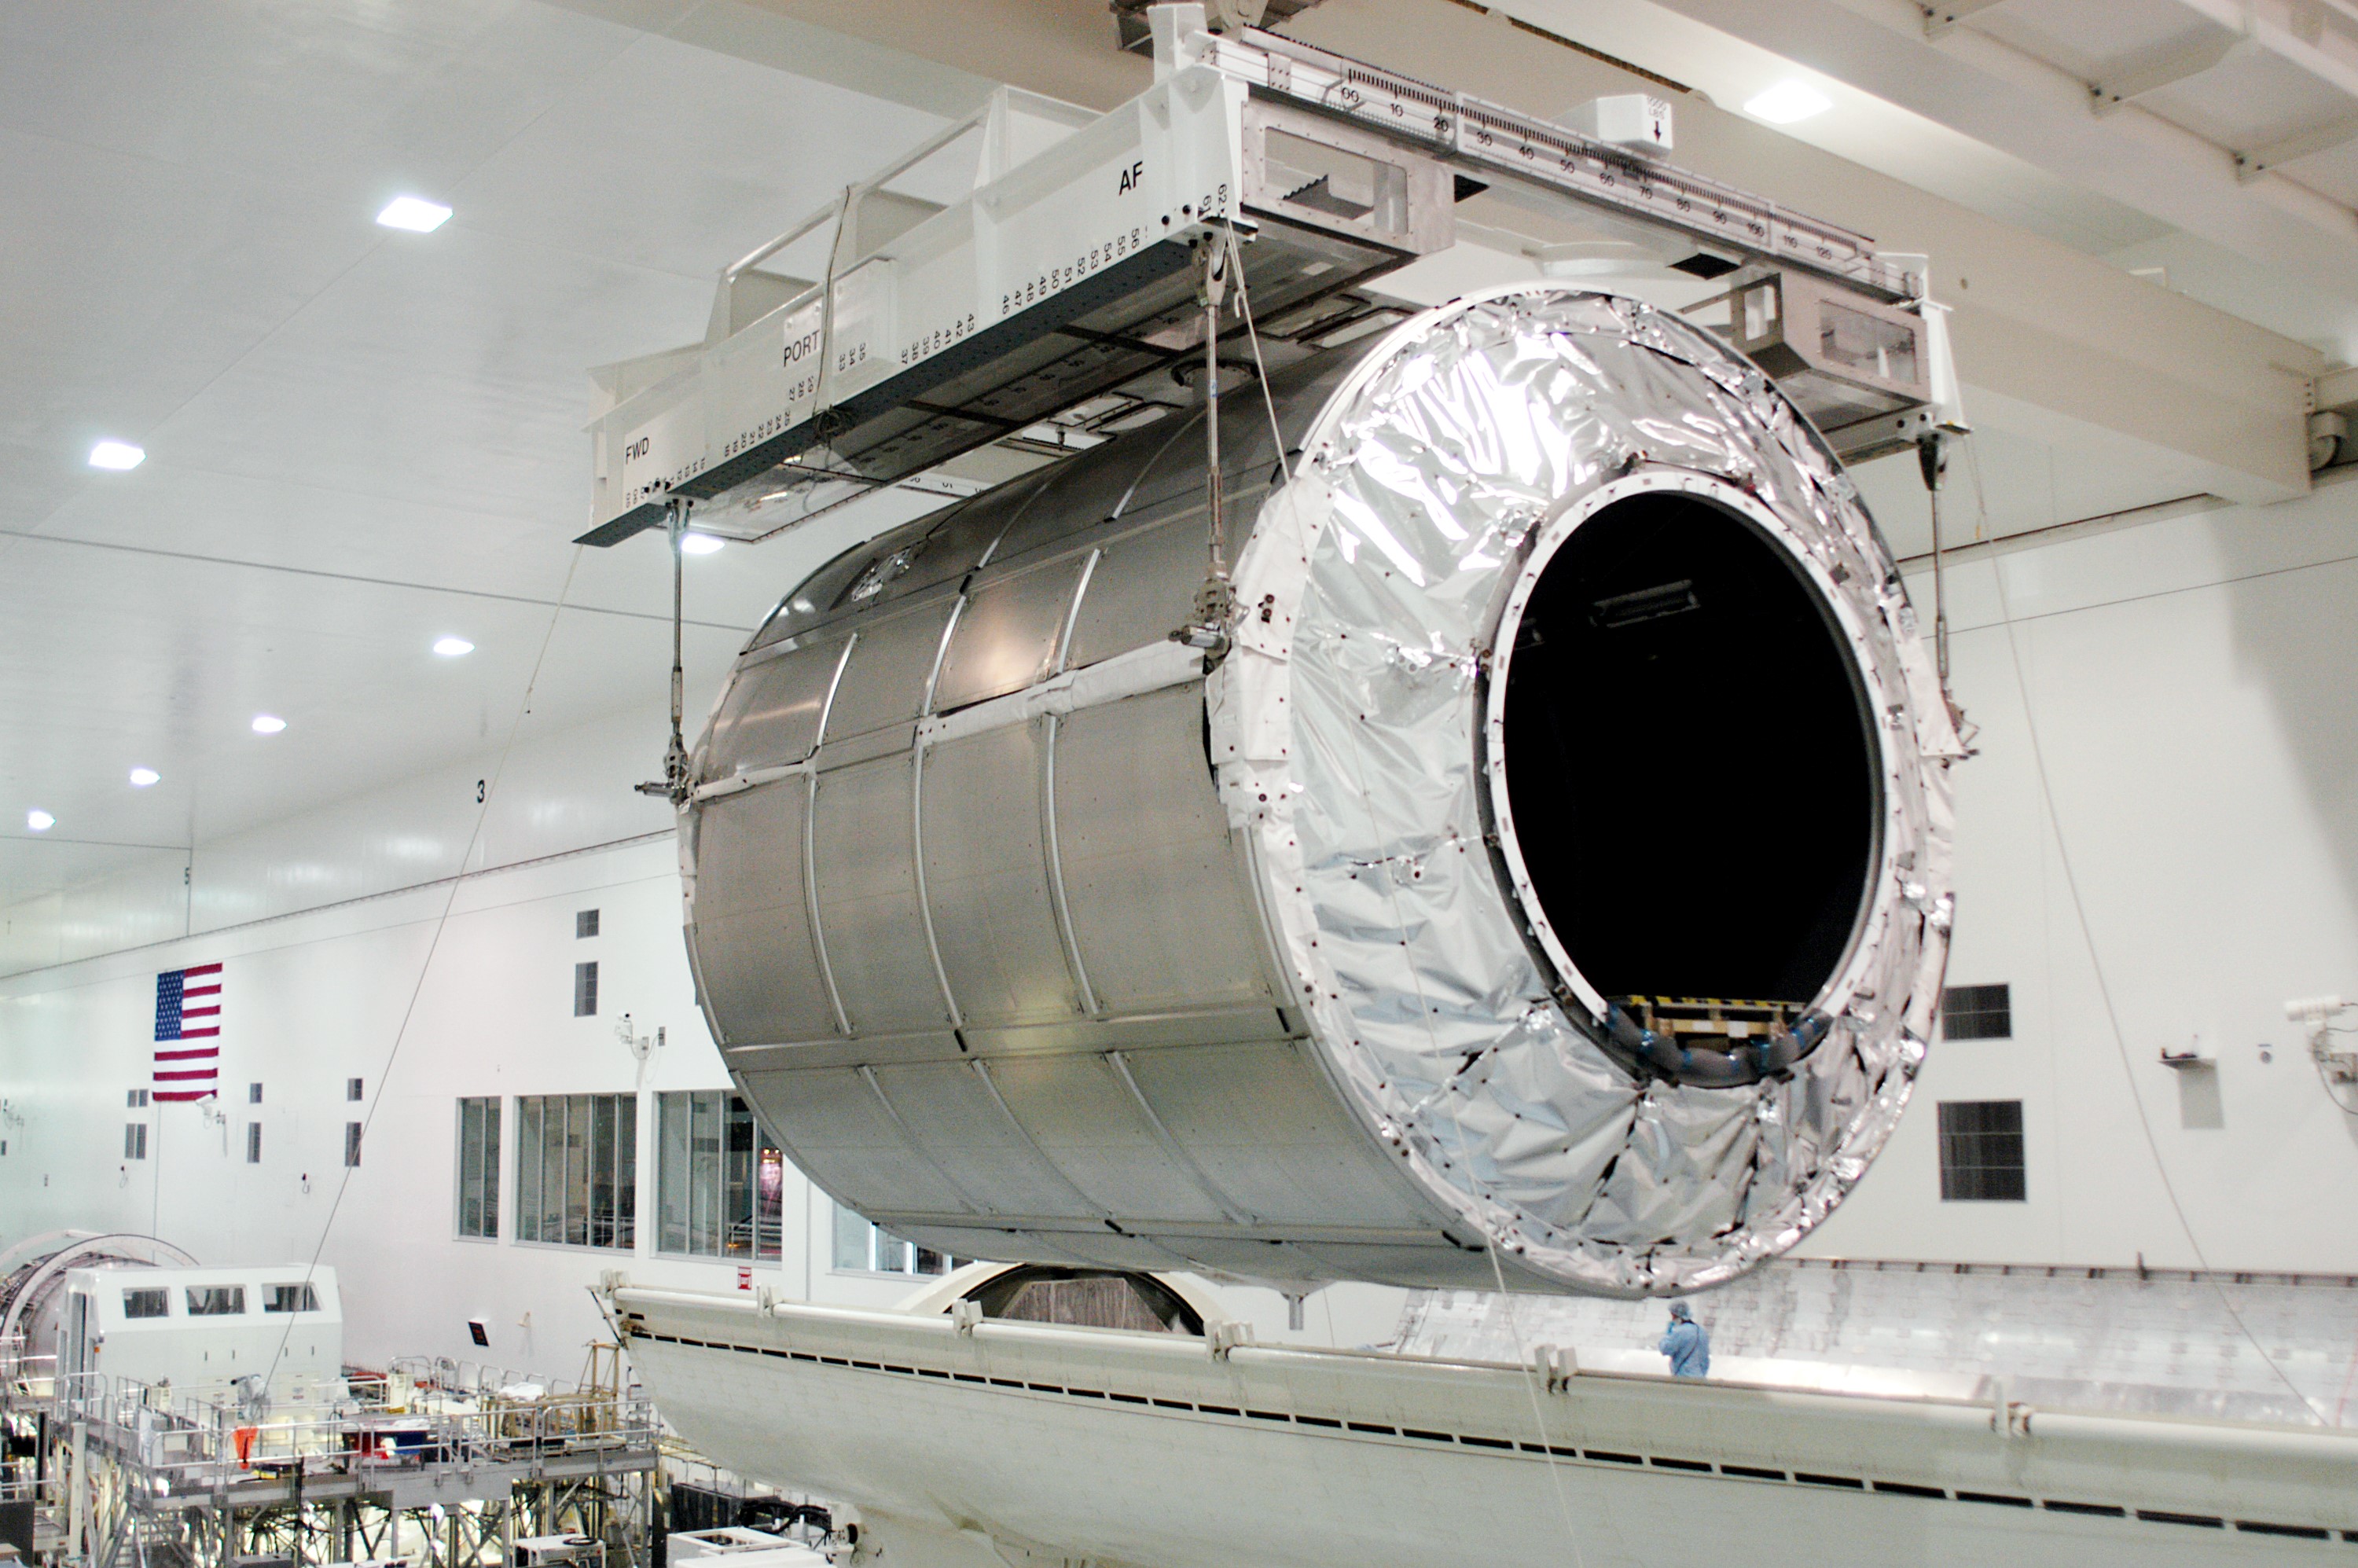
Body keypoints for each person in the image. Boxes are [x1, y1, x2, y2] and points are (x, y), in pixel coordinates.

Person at [1659, 1299, 1710, 1379]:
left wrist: (1668, 1335)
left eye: (1673, 1316)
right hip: (1700, 1378)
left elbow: (1665, 1349)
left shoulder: (1680, 1331)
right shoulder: (1702, 1331)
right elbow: (1705, 1358)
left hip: (1683, 1377)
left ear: (1677, 1315)